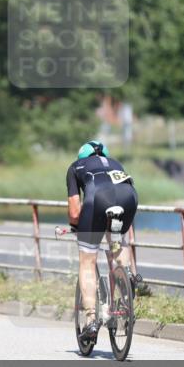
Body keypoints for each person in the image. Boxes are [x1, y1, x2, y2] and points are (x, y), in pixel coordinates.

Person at [66, 140, 139, 341]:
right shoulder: (116, 163)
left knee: (87, 260)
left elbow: (74, 211)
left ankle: (91, 321)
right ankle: (127, 276)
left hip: (98, 198)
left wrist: (76, 226)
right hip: (129, 198)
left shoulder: (75, 167)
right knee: (117, 242)